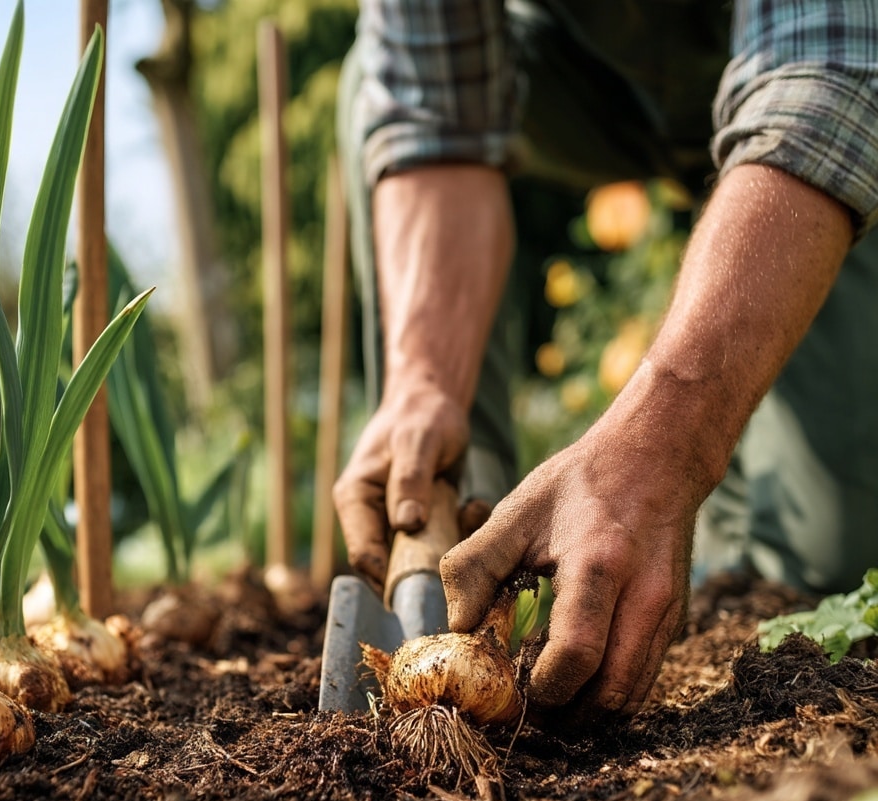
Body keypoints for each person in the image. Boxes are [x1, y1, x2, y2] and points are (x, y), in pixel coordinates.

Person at [331, 1, 878, 719]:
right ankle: (477, 576)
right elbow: (434, 119)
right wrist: (423, 383)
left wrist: (666, 446)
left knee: (828, 576)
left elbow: (831, 76)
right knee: (369, 75)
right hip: (586, 77)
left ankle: (720, 536)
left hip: (841, 85)